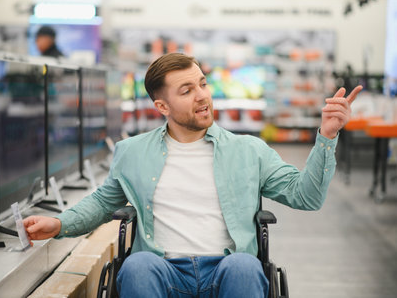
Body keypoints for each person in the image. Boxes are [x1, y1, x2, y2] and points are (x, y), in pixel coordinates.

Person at [23, 53, 363, 298]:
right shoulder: (132, 152)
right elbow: (102, 202)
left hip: (226, 270)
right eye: (186, 91)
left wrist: (327, 137)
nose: (202, 96)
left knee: (245, 267)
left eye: (202, 84)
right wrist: (61, 224)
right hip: (162, 270)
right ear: (162, 107)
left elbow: (306, 196)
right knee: (137, 266)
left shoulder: (249, 150)